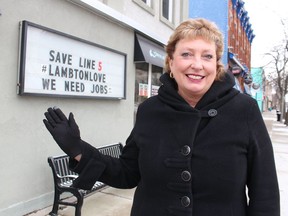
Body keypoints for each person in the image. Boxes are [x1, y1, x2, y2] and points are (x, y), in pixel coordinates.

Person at [43, 18, 280, 216]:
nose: (197, 65)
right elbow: (127, 173)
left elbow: (265, 193)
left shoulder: (244, 110)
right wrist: (78, 149)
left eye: (207, 56)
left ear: (216, 65)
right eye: (187, 54)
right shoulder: (149, 110)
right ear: (171, 61)